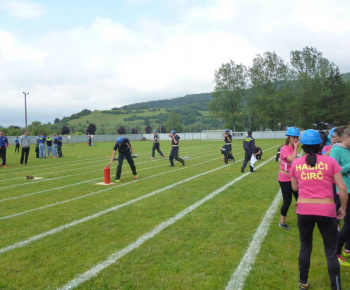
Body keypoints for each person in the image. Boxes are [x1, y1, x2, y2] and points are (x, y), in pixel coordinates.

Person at [290, 129, 347, 290]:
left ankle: (303, 282)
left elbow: (294, 186)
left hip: (304, 210)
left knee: (305, 246)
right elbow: (342, 189)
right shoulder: (330, 162)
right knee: (330, 250)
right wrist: (343, 208)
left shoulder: (296, 163)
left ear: (303, 146)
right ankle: (335, 286)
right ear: (320, 145)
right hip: (327, 211)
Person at [330, 126, 350, 267]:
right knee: (348, 224)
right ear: (346, 136)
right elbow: (334, 170)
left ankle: (346, 249)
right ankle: (335, 253)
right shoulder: (336, 150)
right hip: (345, 190)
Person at [278, 127, 300, 230]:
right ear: (289, 138)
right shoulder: (285, 148)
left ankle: (303, 220)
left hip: (295, 178)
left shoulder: (295, 148)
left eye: (297, 137)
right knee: (287, 200)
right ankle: (282, 222)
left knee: (300, 199)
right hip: (285, 178)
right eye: (293, 137)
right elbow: (292, 160)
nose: (295, 139)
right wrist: (295, 148)